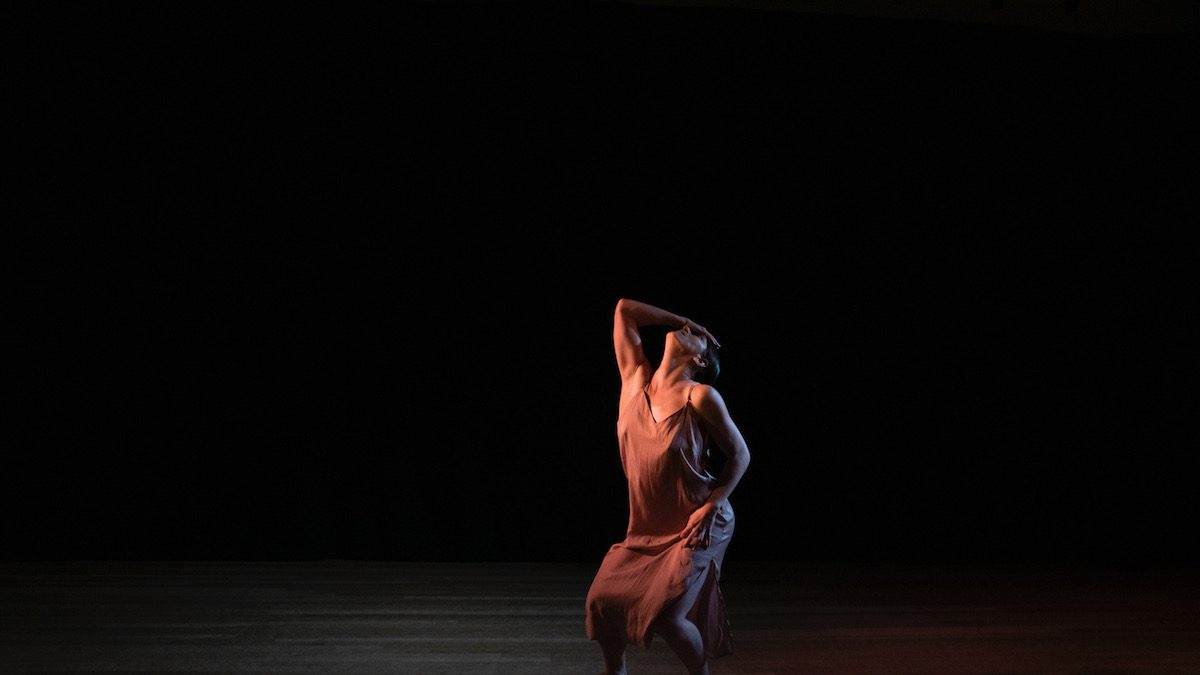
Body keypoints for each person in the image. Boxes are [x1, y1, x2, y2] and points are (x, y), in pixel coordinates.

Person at [585, 298, 752, 675]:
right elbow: (625, 309)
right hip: (645, 530)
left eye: (699, 338)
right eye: (691, 329)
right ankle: (616, 671)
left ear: (701, 361)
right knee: (603, 599)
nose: (691, 332)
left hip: (699, 521)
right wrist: (686, 319)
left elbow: (741, 455)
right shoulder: (633, 381)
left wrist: (712, 506)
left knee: (668, 617)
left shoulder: (700, 396)